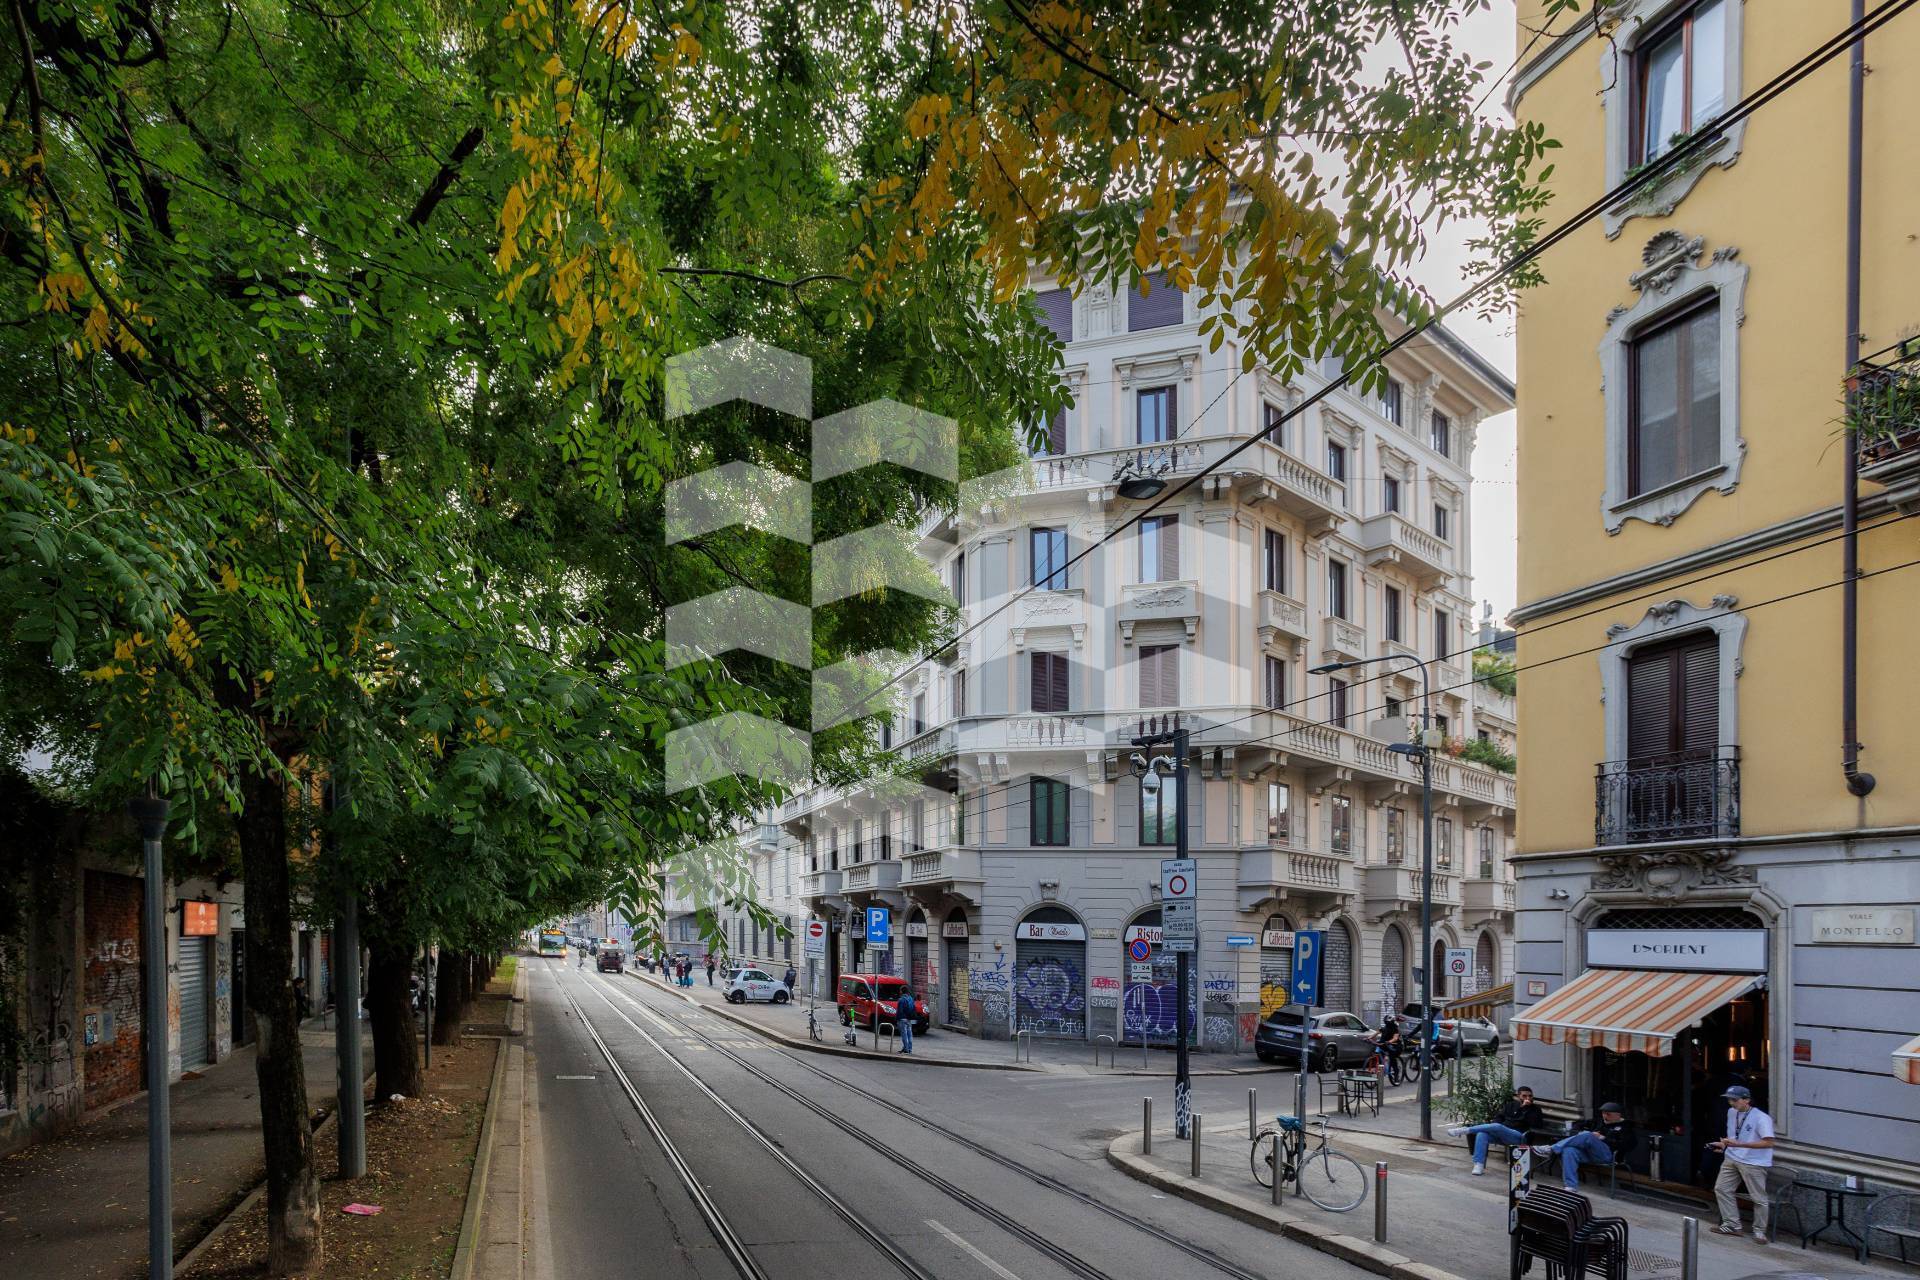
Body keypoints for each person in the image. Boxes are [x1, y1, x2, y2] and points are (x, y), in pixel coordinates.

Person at [1709, 1085, 1774, 1242]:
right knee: (1722, 1188)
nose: (1731, 1103)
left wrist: (1739, 1144)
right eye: (1729, 1100)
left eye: (1735, 1100)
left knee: (1758, 1197)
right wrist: (1724, 1145)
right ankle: (1732, 1224)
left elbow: (1768, 1142)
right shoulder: (1731, 1112)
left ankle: (1759, 1230)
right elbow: (1735, 1135)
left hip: (1754, 1161)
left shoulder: (1761, 1118)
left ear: (1747, 1100)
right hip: (1732, 1157)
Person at [1532, 1103, 1636, 1191]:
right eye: (1603, 1113)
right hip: (1589, 1153)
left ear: (1617, 1115)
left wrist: (1603, 1138)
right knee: (1569, 1150)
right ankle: (1571, 1186)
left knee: (1588, 1136)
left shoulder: (1626, 1127)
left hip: (1609, 1155)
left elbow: (1628, 1145)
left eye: (1608, 1114)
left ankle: (1551, 1149)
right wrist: (1580, 1132)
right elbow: (1577, 1124)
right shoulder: (1598, 1121)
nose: (1605, 1116)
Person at [1447, 1085, 1546, 1175]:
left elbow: (1537, 1125)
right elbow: (1498, 1117)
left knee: (1497, 1127)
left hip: (1518, 1136)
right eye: (1524, 1096)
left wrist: (1524, 1109)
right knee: (1482, 1134)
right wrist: (1497, 1126)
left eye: (1530, 1096)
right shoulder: (1510, 1105)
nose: (1528, 1098)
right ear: (1518, 1096)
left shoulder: (1535, 1109)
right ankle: (1479, 1165)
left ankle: (1466, 1130)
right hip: (1502, 1133)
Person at [895, 989, 917, 1054]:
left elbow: (900, 1011)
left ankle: (906, 1049)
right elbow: (913, 1008)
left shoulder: (901, 1000)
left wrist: (897, 1019)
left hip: (902, 1019)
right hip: (909, 1019)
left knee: (904, 1035)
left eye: (900, 991)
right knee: (909, 1035)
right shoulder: (911, 999)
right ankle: (909, 1049)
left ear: (902, 991)